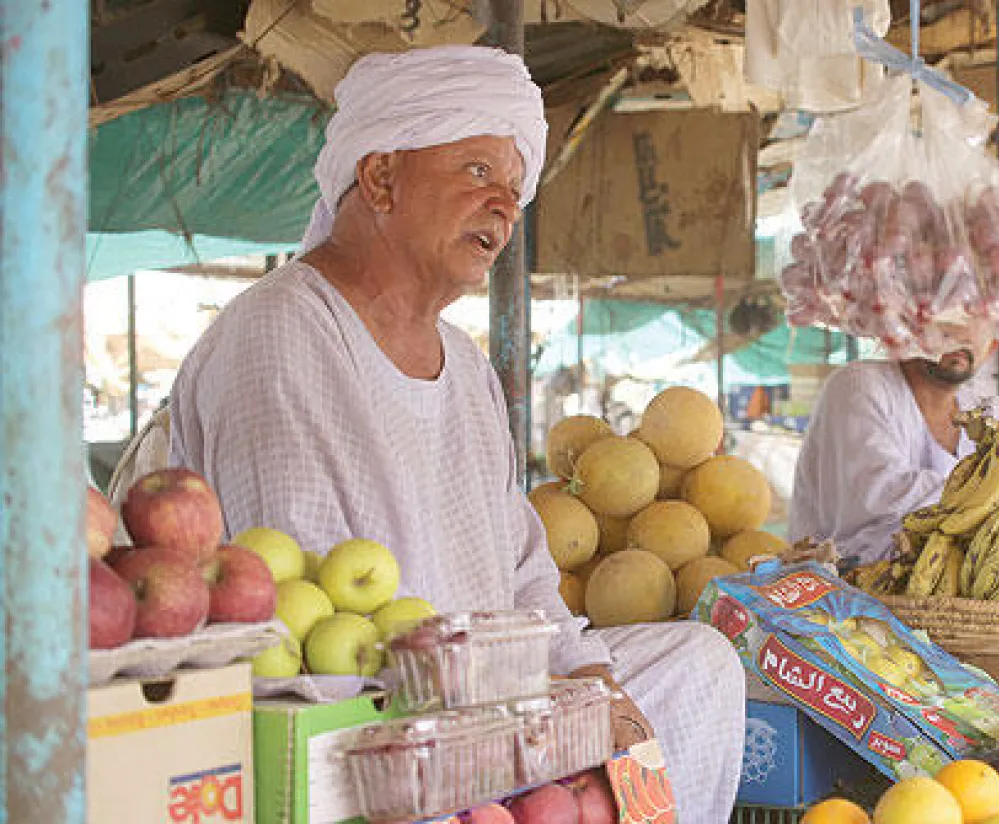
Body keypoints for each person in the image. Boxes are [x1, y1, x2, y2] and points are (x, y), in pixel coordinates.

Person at [167, 47, 743, 822]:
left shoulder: (467, 372)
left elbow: (524, 572)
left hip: (490, 710)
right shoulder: (283, 333)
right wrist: (511, 728)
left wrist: (592, 681)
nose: (505, 206)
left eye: (514, 187)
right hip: (371, 728)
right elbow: (313, 635)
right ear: (379, 179)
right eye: (476, 172)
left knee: (698, 664)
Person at [789, 345, 999, 567]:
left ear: (991, 343)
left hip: (938, 597)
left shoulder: (985, 411)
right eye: (945, 321)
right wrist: (993, 497)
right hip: (837, 590)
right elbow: (882, 494)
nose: (959, 335)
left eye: (975, 320)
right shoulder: (859, 383)